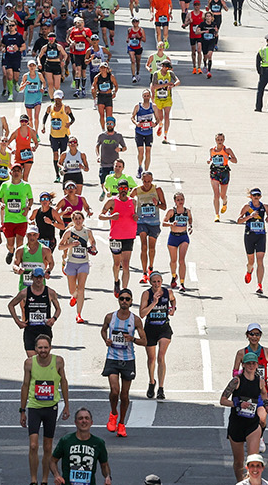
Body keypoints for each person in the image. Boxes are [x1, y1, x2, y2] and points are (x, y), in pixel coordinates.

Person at [20, 335, 70, 485]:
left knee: (48, 446)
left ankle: (44, 480)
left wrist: (67, 405)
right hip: (35, 407)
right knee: (33, 445)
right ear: (35, 349)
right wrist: (22, 410)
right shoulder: (29, 363)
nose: (43, 350)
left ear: (50, 347)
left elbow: (64, 382)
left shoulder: (58, 361)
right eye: (40, 348)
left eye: (45, 347)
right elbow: (25, 385)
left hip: (51, 408)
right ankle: (34, 480)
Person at [100, 289, 145, 438]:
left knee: (124, 395)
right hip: (112, 357)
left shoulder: (135, 320)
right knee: (114, 390)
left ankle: (121, 423)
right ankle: (113, 413)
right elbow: (103, 330)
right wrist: (106, 340)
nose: (124, 301)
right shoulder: (110, 317)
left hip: (128, 359)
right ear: (118, 300)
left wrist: (132, 339)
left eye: (127, 299)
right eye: (122, 299)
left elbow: (145, 341)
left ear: (131, 301)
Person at [222, 352, 268, 482]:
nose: (251, 365)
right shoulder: (236, 381)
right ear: (243, 365)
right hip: (237, 424)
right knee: (239, 462)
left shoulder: (260, 382)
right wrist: (237, 403)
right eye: (248, 363)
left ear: (257, 365)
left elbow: (264, 394)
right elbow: (222, 400)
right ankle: (240, 482)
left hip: (252, 424)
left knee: (252, 460)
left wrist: (266, 406)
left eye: (253, 363)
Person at [49, 408, 111, 485]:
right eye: (80, 418)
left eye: (87, 418)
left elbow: (104, 465)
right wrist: (56, 475)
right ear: (75, 422)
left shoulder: (98, 443)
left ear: (91, 422)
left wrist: (107, 477)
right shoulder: (66, 440)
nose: (84, 421)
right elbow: (53, 461)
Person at [139, 271, 175, 400]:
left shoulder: (167, 292)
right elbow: (142, 314)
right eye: (154, 282)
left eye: (158, 281)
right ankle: (151, 382)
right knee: (151, 359)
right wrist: (154, 302)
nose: (156, 284)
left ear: (161, 282)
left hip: (164, 328)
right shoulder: (146, 294)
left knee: (161, 357)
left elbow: (173, 300)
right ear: (150, 283)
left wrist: (173, 308)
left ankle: (161, 388)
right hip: (150, 329)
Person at [9, 266, 61, 356]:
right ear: (32, 277)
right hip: (30, 330)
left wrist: (53, 319)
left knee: (43, 358)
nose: (38, 280)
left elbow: (58, 309)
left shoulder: (50, 292)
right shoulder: (24, 293)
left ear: (43, 277)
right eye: (36, 277)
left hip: (45, 329)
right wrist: (18, 321)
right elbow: (11, 305)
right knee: (32, 359)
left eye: (40, 277)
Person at [236, 189, 268, 295]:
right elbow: (238, 220)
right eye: (254, 195)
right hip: (249, 236)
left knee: (260, 260)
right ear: (250, 196)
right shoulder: (247, 207)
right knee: (251, 262)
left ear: (260, 196)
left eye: (258, 195)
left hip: (261, 236)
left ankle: (259, 285)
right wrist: (250, 216)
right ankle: (249, 270)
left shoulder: (265, 207)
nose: (256, 197)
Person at [132, 172, 167, 277]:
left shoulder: (157, 189)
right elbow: (129, 201)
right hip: (141, 222)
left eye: (148, 181)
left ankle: (150, 267)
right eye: (144, 181)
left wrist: (157, 204)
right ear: (141, 180)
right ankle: (144, 273)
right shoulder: (137, 190)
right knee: (144, 246)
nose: (146, 184)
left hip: (154, 222)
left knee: (152, 247)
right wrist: (133, 212)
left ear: (152, 180)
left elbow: (164, 206)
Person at [208, 134, 237, 221]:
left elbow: (235, 160)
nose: (219, 141)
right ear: (215, 140)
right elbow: (211, 158)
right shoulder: (212, 150)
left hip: (224, 172)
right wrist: (208, 160)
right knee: (216, 194)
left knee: (222, 195)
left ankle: (225, 202)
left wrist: (228, 158)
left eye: (221, 139)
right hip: (214, 172)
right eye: (218, 139)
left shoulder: (227, 150)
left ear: (224, 140)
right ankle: (217, 214)